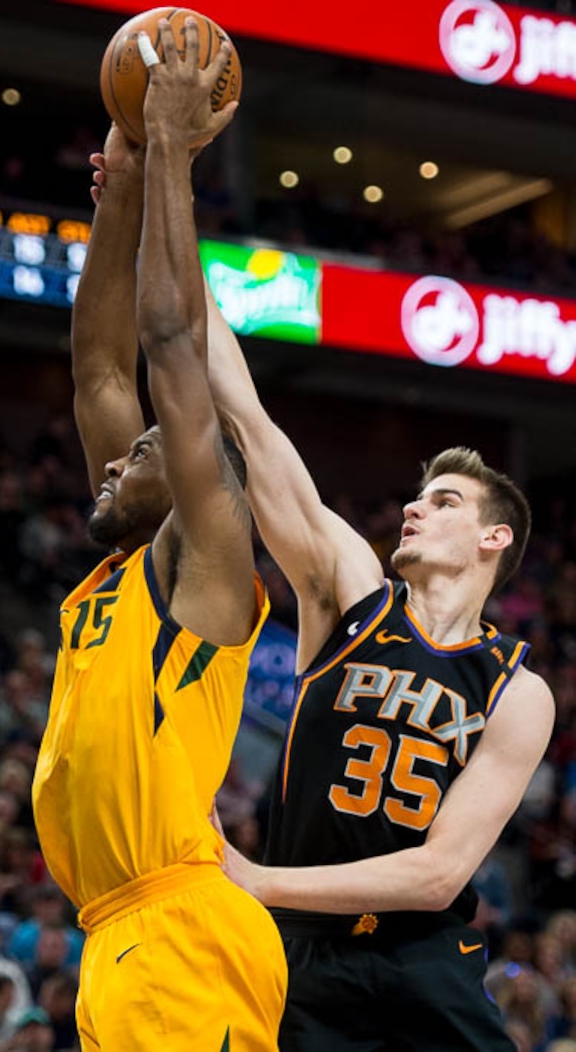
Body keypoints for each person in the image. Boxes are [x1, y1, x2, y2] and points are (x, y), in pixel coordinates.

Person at [200, 250, 556, 1045]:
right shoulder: (348, 594)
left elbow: (435, 878)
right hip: (299, 957)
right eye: (416, 496)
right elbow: (248, 421)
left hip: (422, 965)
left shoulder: (515, 689)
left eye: (444, 500)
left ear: (495, 538)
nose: (412, 508)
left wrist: (257, 879)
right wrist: (167, 198)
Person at [31, 18, 286, 1052]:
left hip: (180, 930)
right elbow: (99, 365)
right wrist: (128, 169)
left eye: (143, 453)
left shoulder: (205, 561)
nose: (115, 459)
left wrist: (175, 157)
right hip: (122, 938)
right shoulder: (125, 569)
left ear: (194, 477)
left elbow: (169, 344)